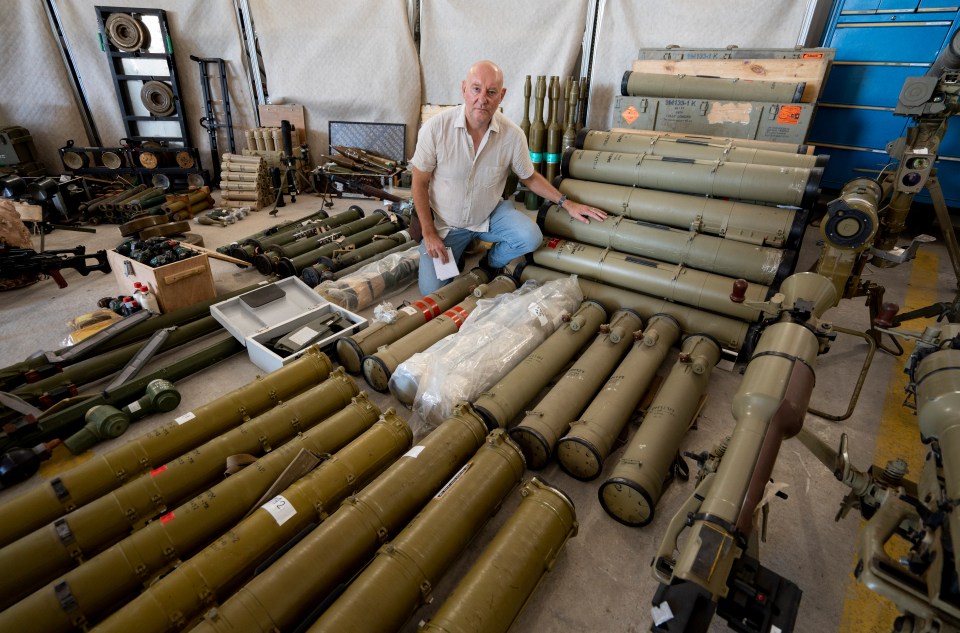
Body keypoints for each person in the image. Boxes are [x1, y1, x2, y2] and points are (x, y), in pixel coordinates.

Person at [410, 60, 607, 295]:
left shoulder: (512, 135)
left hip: (488, 216)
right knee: (432, 293)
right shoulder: (435, 129)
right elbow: (419, 182)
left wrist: (566, 202)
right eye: (476, 89)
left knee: (529, 237)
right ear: (464, 89)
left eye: (491, 92)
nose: (482, 98)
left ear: (501, 95)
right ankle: (458, 250)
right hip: (446, 224)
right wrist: (429, 233)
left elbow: (530, 177)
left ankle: (489, 263)